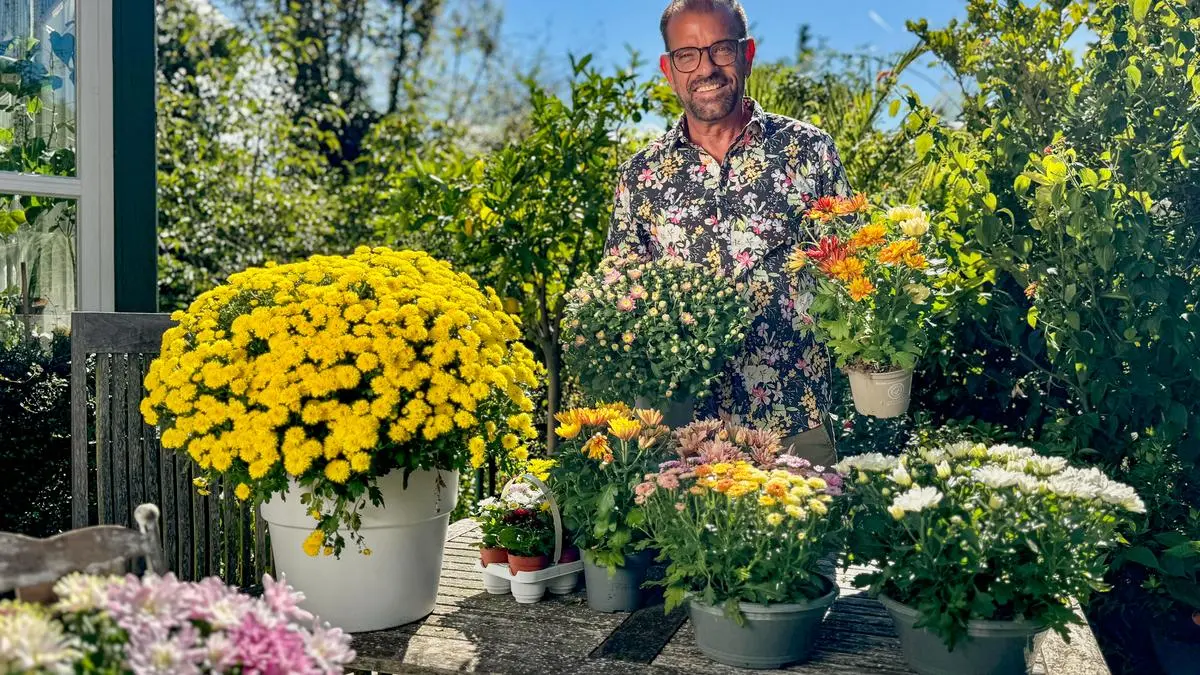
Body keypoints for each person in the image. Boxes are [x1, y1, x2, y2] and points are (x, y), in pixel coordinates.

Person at [603, 0, 856, 467]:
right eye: (688, 55)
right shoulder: (640, 177)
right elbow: (619, 300)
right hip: (682, 436)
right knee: (684, 540)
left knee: (806, 539)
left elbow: (855, 273)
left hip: (795, 421)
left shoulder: (808, 152)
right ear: (668, 68)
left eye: (721, 49)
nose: (706, 68)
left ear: (747, 54)